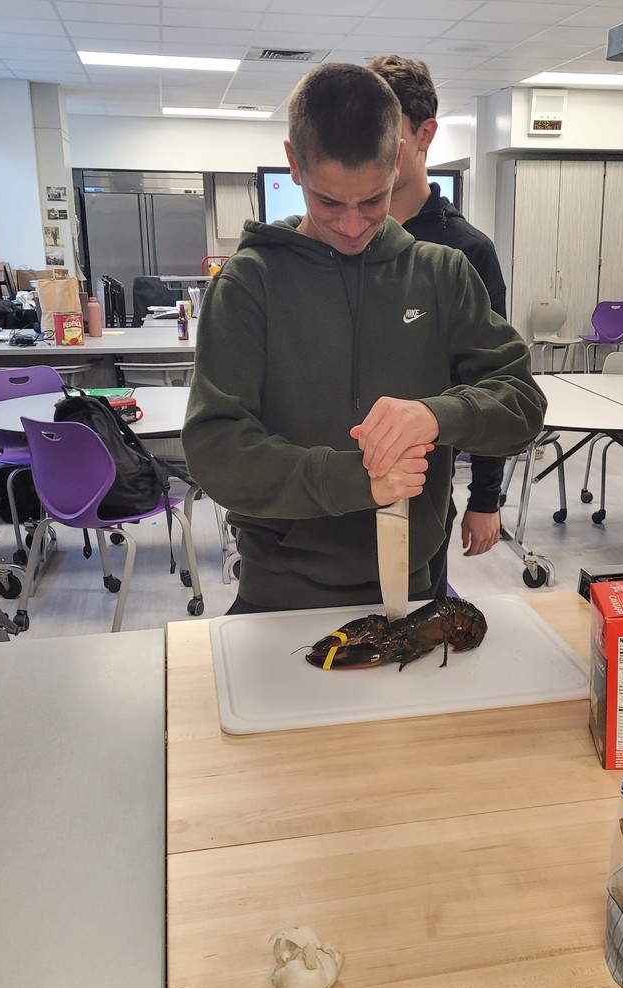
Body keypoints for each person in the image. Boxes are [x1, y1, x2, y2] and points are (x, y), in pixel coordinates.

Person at [181, 63, 546, 614]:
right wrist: (355, 480)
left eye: (372, 200)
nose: (353, 226)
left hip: (414, 584)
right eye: (329, 202)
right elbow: (216, 450)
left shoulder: (442, 274)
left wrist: (437, 415)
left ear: (398, 159)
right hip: (280, 592)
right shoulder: (249, 282)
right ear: (293, 165)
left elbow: (522, 404)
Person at [367, 53, 508, 598]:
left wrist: (486, 496)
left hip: (424, 491)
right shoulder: (336, 238)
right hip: (333, 484)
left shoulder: (463, 251)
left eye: (385, 132)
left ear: (425, 134)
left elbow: (492, 382)